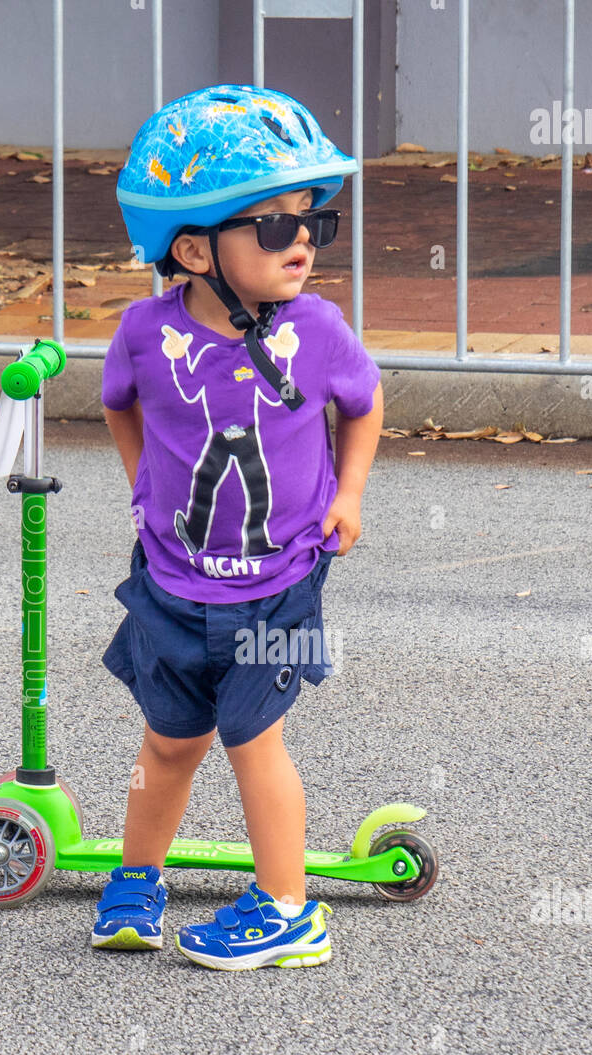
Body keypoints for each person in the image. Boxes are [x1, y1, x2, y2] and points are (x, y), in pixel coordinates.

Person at [93, 85, 383, 971]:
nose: (302, 241)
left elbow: (364, 407)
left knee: (253, 739)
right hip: (173, 583)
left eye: (313, 223)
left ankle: (290, 910)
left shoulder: (319, 332)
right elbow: (119, 408)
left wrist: (349, 495)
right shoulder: (144, 333)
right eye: (272, 226)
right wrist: (143, 487)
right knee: (168, 740)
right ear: (191, 249)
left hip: (278, 581)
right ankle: (138, 877)